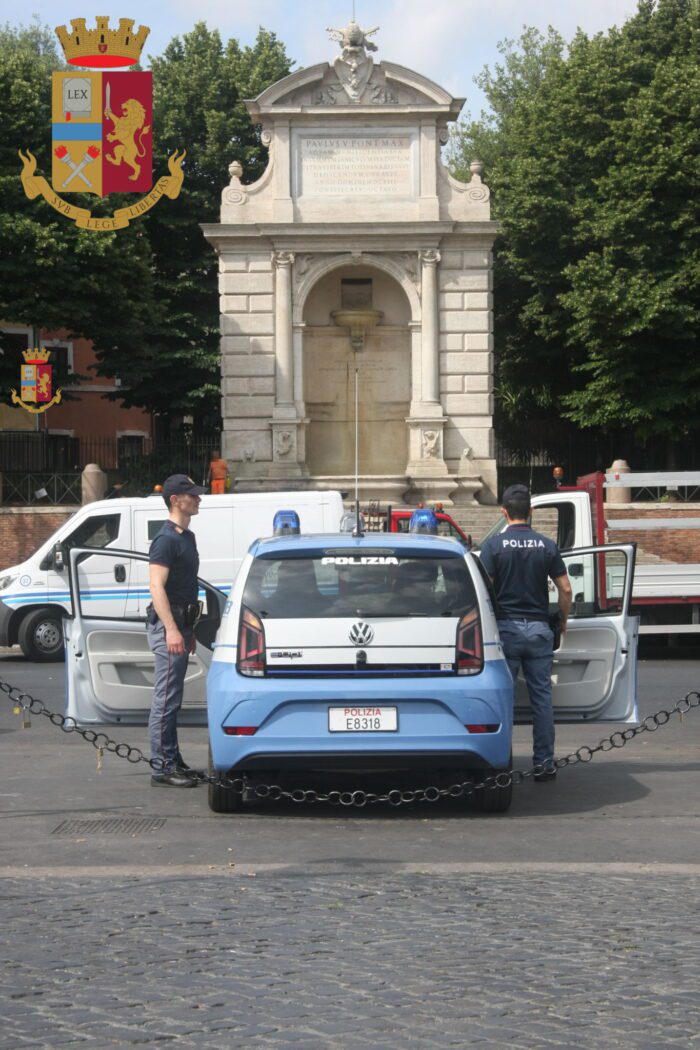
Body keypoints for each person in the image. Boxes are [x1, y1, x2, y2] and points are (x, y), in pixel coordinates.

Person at [479, 483, 572, 782]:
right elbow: (566, 589)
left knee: (503, 698)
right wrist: (562, 620)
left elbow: (484, 590)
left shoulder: (493, 547)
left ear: (504, 512)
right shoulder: (546, 545)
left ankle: (500, 764)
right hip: (539, 630)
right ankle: (544, 763)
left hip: (505, 630)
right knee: (542, 699)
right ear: (531, 512)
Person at [147, 473, 206, 787]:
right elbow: (157, 586)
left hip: (182, 625)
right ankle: (162, 767)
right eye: (192, 495)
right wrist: (171, 629)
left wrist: (188, 628)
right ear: (175, 500)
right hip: (168, 627)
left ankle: (174, 760)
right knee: (166, 699)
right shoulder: (166, 539)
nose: (198, 499)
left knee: (173, 699)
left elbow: (186, 588)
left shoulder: (187, 537)